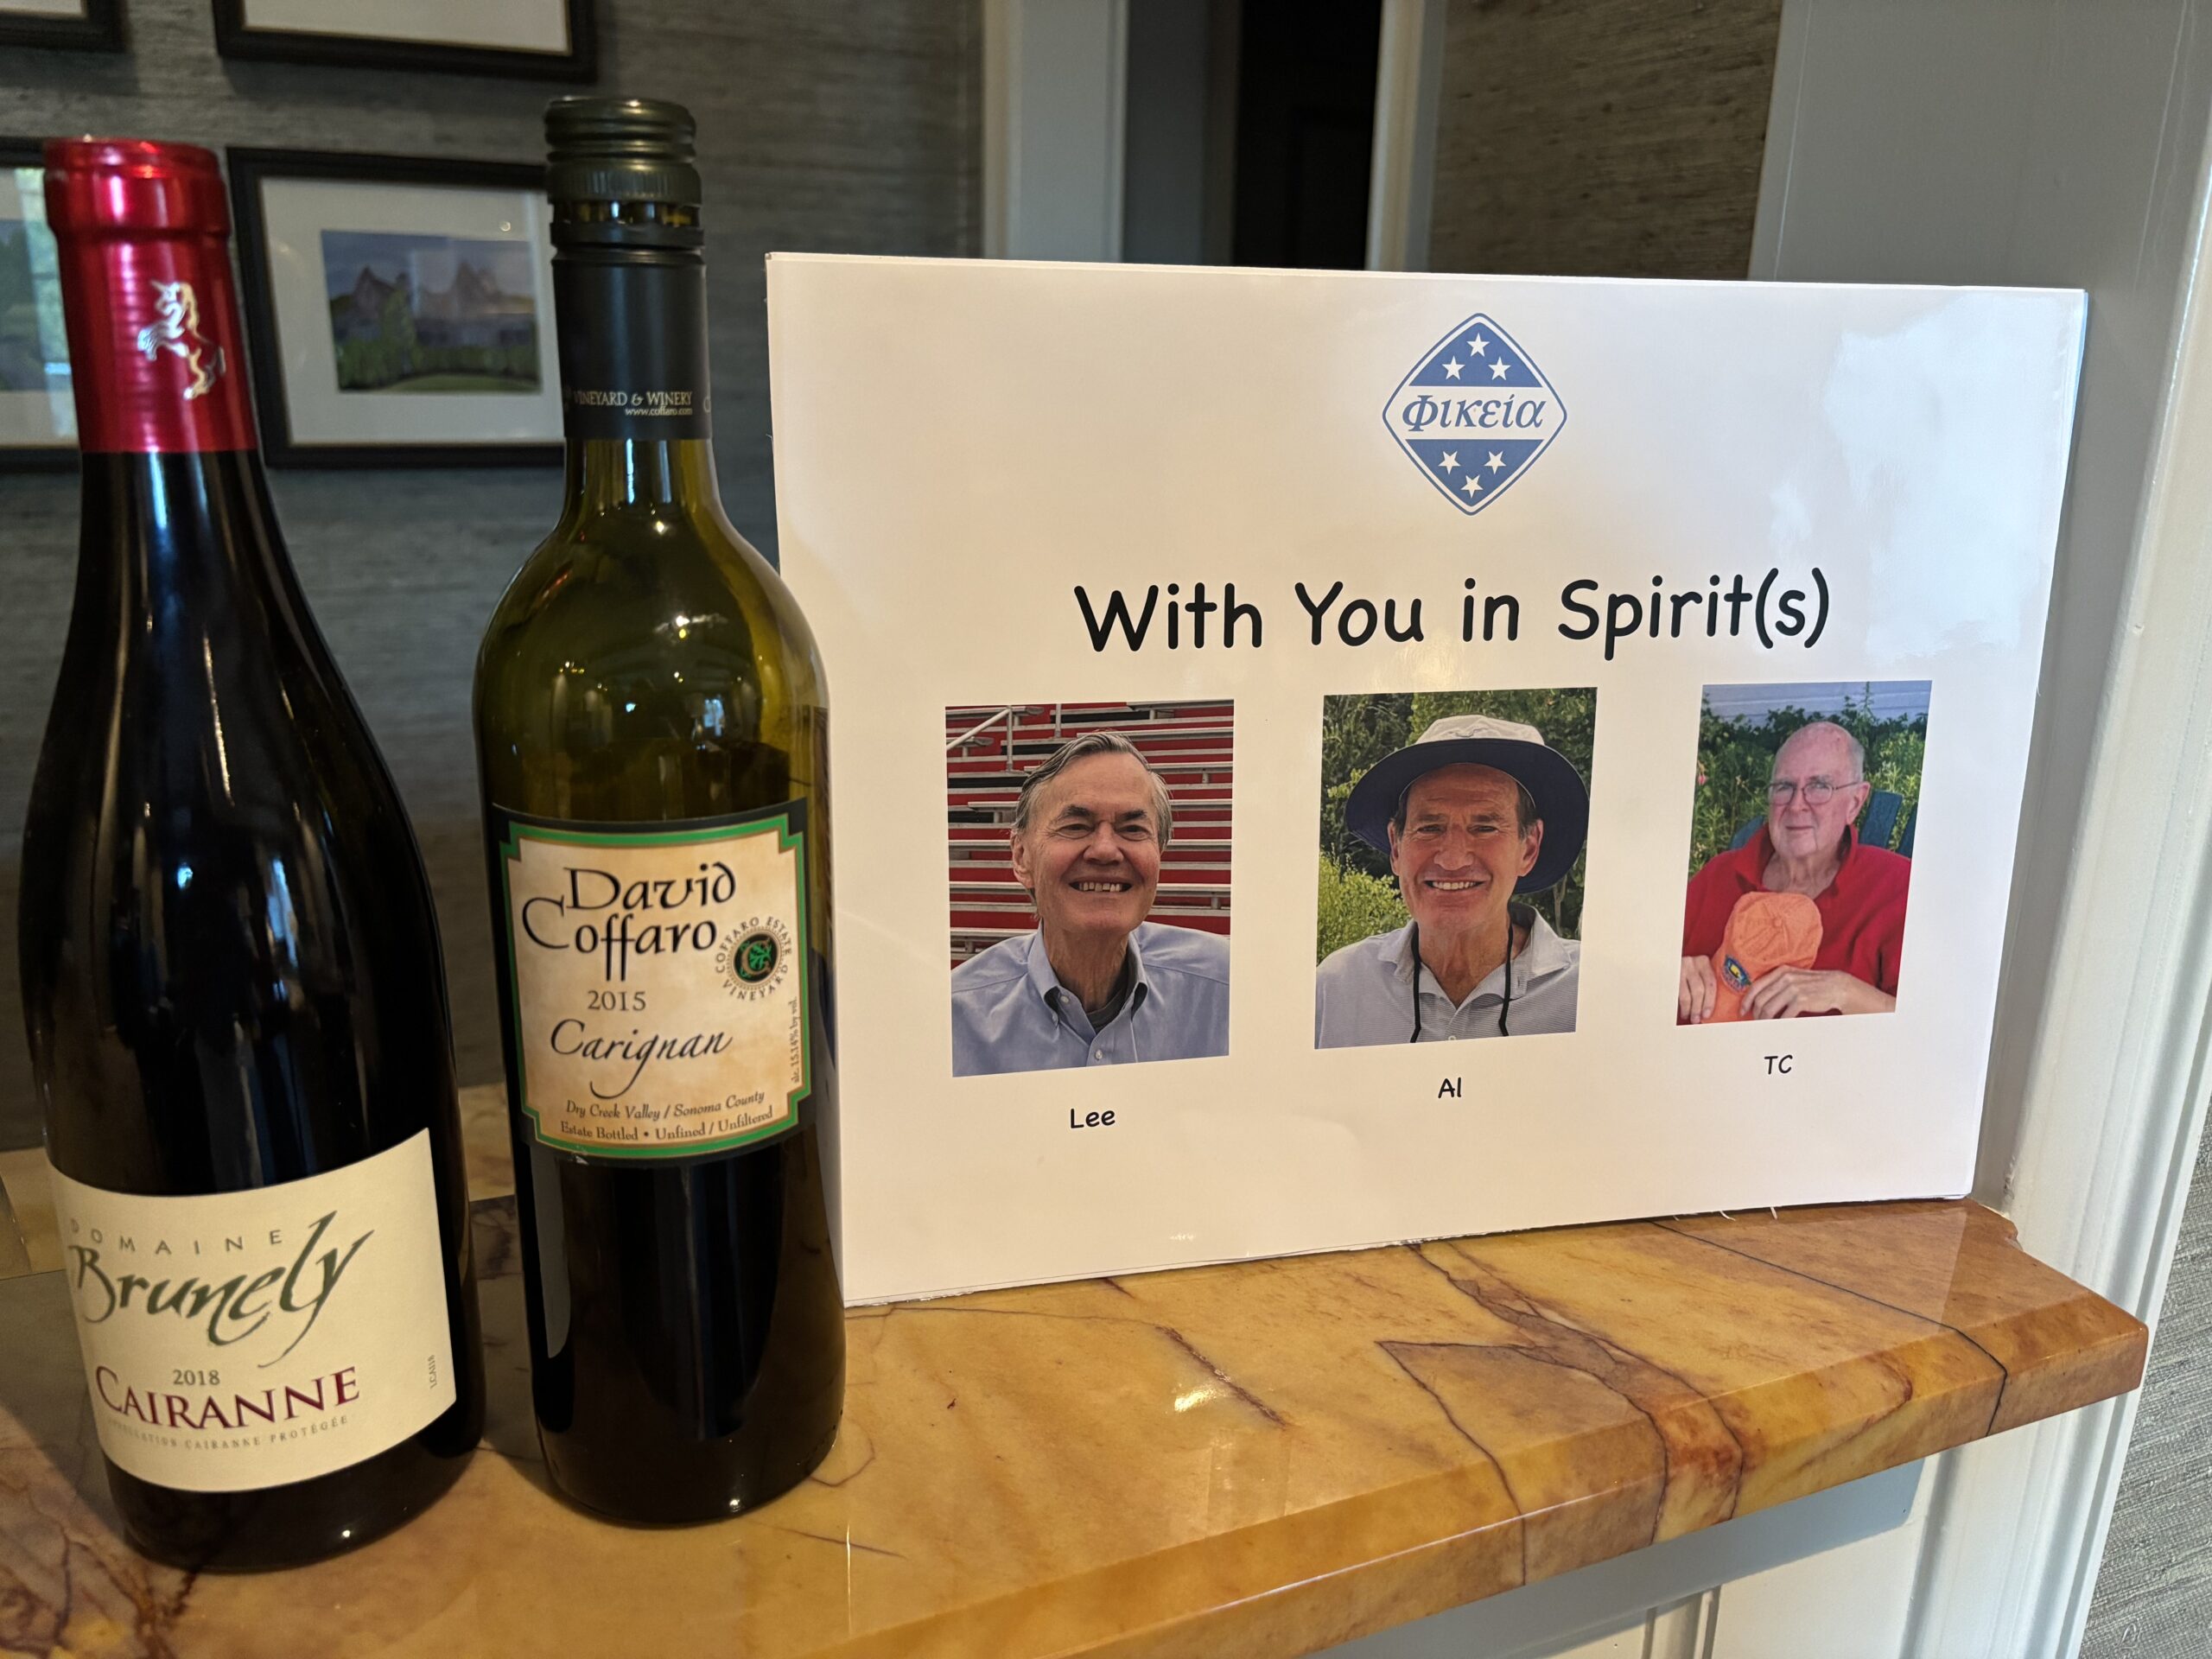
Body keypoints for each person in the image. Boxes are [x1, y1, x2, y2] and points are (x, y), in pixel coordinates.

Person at [951, 732, 1230, 1076]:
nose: (1105, 850)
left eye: (1133, 829)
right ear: (1022, 857)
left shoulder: (1228, 990)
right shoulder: (953, 1018)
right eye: (1075, 826)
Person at [1315, 714, 1588, 1048]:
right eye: (1430, 828)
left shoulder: (1591, 995)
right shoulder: (1336, 991)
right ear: (1396, 848)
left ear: (1529, 848)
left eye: (1485, 828)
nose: (1453, 859)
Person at [1678, 720, 1909, 1022]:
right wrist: (1672, 973)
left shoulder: (1897, 886)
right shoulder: (1718, 876)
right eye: (1784, 787)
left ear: (1855, 803)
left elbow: (1936, 1024)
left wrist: (1846, 992)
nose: (1797, 805)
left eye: (1819, 786)